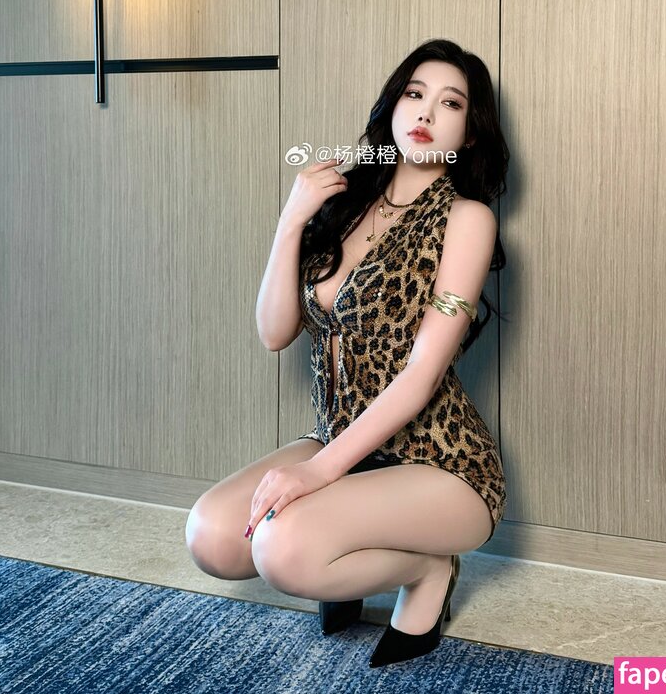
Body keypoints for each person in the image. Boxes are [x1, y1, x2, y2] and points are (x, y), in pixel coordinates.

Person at [185, 38, 510, 668]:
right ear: (393, 106)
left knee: (281, 550)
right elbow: (274, 332)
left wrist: (316, 473)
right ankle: (351, 551)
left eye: (450, 104)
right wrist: (293, 218)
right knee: (213, 538)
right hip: (342, 443)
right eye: (414, 94)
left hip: (441, 464)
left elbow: (421, 376)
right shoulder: (346, 203)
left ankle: (429, 569)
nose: (426, 112)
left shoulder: (466, 219)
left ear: (469, 134)